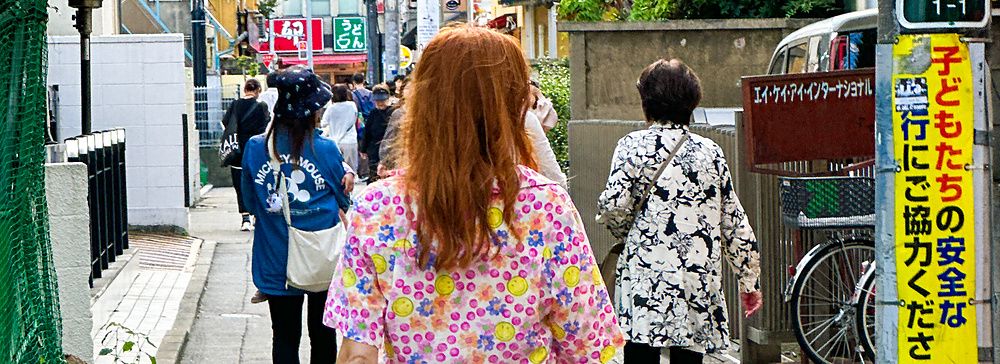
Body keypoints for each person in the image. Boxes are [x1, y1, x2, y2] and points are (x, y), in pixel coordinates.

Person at [325, 25, 625, 364]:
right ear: (513, 107)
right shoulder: (546, 206)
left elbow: (357, 354)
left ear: (423, 102)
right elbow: (590, 346)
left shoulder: (375, 208)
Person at [596, 59, 762, 364]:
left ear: (647, 102)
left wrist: (628, 232)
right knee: (690, 355)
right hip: (696, 280)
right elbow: (733, 221)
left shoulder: (632, 146)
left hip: (646, 278)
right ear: (692, 102)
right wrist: (748, 280)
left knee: (639, 351)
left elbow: (613, 206)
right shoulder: (711, 152)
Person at [241, 66, 353, 364]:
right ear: (312, 111)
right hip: (322, 256)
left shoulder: (255, 147)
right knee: (323, 334)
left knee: (285, 337)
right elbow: (343, 199)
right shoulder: (326, 149)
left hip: (275, 256)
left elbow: (252, 203)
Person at [219, 79, 270, 231]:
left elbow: (225, 122)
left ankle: (245, 218)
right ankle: (256, 216)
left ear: (245, 90)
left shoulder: (235, 105)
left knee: (240, 185)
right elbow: (266, 125)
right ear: (258, 90)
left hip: (237, 150)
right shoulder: (262, 106)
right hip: (256, 150)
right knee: (258, 181)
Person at [358, 84, 394, 182]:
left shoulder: (394, 112)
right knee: (374, 176)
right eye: (377, 101)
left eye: (382, 100)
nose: (380, 103)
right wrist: (363, 149)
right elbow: (367, 131)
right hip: (374, 150)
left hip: (390, 150)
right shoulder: (373, 113)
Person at [321, 84, 361, 172]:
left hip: (335, 141)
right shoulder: (352, 105)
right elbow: (355, 117)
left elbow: (323, 123)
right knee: (351, 170)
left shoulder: (331, 108)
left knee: (337, 169)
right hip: (350, 140)